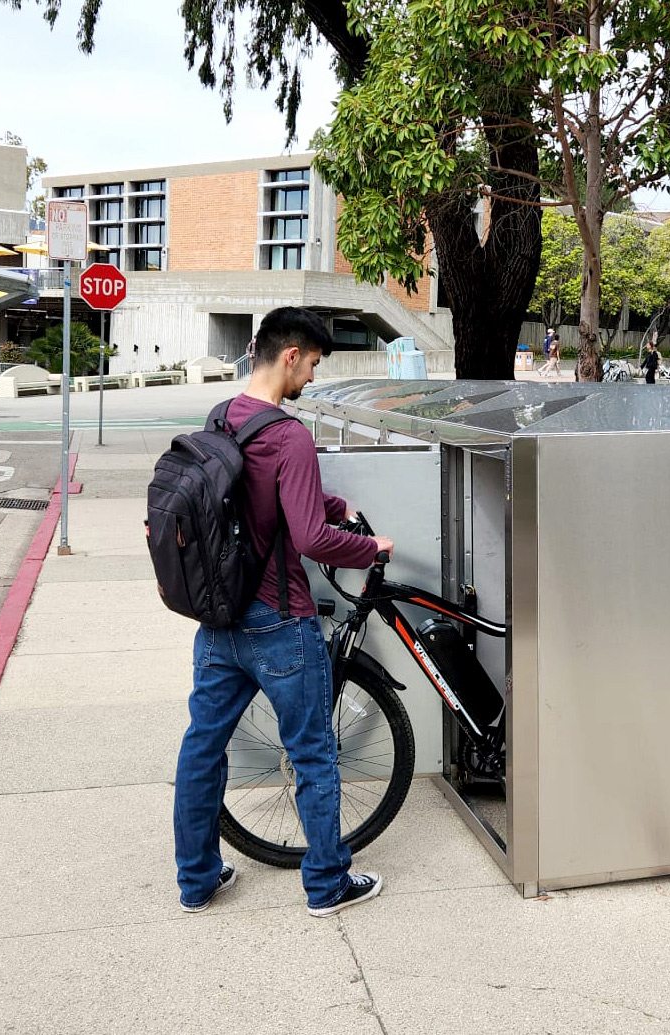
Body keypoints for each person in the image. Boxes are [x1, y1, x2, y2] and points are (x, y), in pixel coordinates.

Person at [174, 306, 391, 918]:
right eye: (314, 364)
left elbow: (249, 494)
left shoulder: (222, 417)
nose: (312, 379)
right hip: (280, 621)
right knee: (314, 751)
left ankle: (197, 881)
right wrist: (370, 546)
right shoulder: (290, 434)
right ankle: (326, 886)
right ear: (290, 354)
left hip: (220, 618)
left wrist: (325, 499)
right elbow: (312, 541)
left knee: (202, 747)